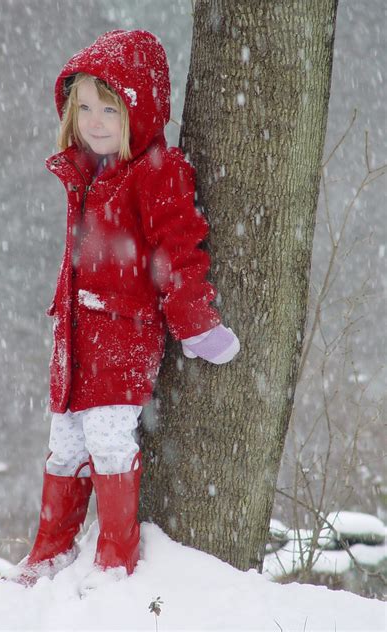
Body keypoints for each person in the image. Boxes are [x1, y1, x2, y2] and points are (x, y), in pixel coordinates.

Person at [18, 29, 240, 586]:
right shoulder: (86, 172)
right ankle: (50, 551)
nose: (94, 121)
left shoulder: (156, 170)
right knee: (64, 442)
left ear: (137, 112)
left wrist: (194, 322)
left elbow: (178, 249)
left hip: (122, 335)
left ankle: (115, 559)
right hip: (75, 338)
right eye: (84, 106)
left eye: (109, 109)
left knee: (109, 440)